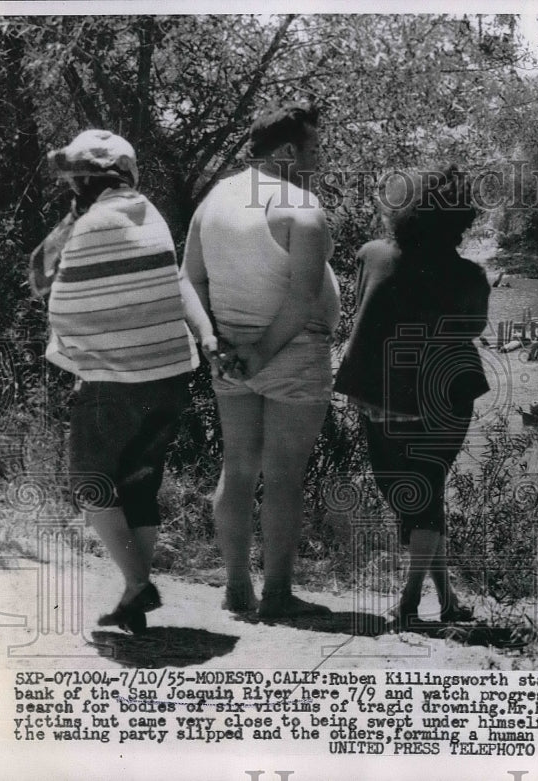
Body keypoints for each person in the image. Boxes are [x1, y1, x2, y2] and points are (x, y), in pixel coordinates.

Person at [32, 130, 218, 633]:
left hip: (114, 380)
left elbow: (41, 276)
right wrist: (206, 336)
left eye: (76, 178)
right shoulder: (148, 213)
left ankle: (138, 583)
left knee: (90, 483)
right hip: (169, 377)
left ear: (88, 180)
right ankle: (134, 596)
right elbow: (172, 279)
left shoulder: (92, 222)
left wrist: (73, 216)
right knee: (138, 485)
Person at [183, 100, 340, 619]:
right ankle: (276, 595)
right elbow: (301, 298)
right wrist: (260, 353)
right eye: (315, 148)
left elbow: (190, 280)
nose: (319, 159)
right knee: (285, 476)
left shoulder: (215, 199)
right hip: (289, 353)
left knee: (238, 468)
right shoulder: (301, 207)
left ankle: (235, 590)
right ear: (289, 150)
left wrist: (212, 342)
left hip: (230, 354)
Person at [334, 165, 489, 629]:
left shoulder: (371, 255)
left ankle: (407, 602)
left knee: (413, 497)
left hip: (381, 397)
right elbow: (472, 329)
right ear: (461, 220)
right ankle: (445, 602)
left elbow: (358, 315)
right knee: (425, 495)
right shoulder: (471, 276)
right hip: (446, 397)